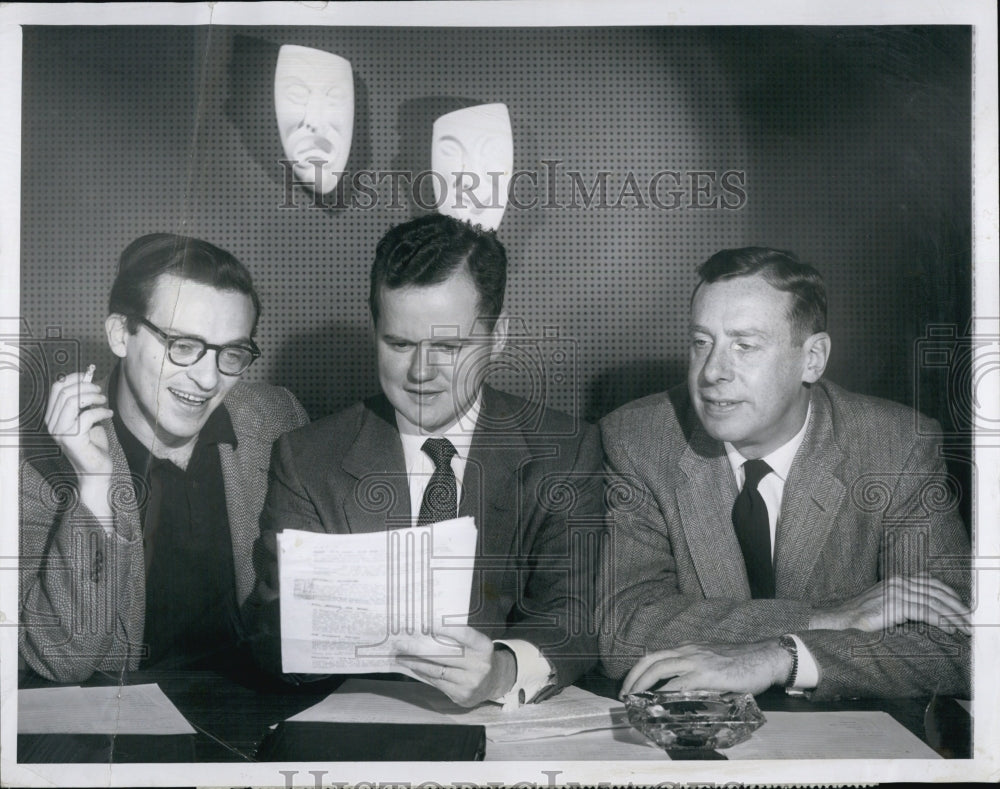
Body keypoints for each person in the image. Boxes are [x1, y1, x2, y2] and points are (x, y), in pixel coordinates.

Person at [246, 214, 602, 707]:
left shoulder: (565, 451)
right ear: (375, 329)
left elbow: (573, 617)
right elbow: (267, 633)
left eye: (448, 346)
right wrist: (308, 637)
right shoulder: (307, 458)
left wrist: (501, 672)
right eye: (399, 344)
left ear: (497, 337)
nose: (420, 372)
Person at [599, 247, 971, 700]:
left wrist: (783, 657)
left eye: (745, 345)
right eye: (701, 342)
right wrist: (826, 618)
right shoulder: (638, 440)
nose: (712, 372)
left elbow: (959, 646)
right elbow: (624, 629)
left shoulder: (895, 448)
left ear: (812, 358)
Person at [19, 233, 308, 682]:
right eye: (183, 346)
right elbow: (64, 659)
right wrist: (93, 486)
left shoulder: (276, 420)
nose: (208, 379)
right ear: (121, 334)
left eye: (232, 352)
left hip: (258, 706)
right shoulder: (40, 464)